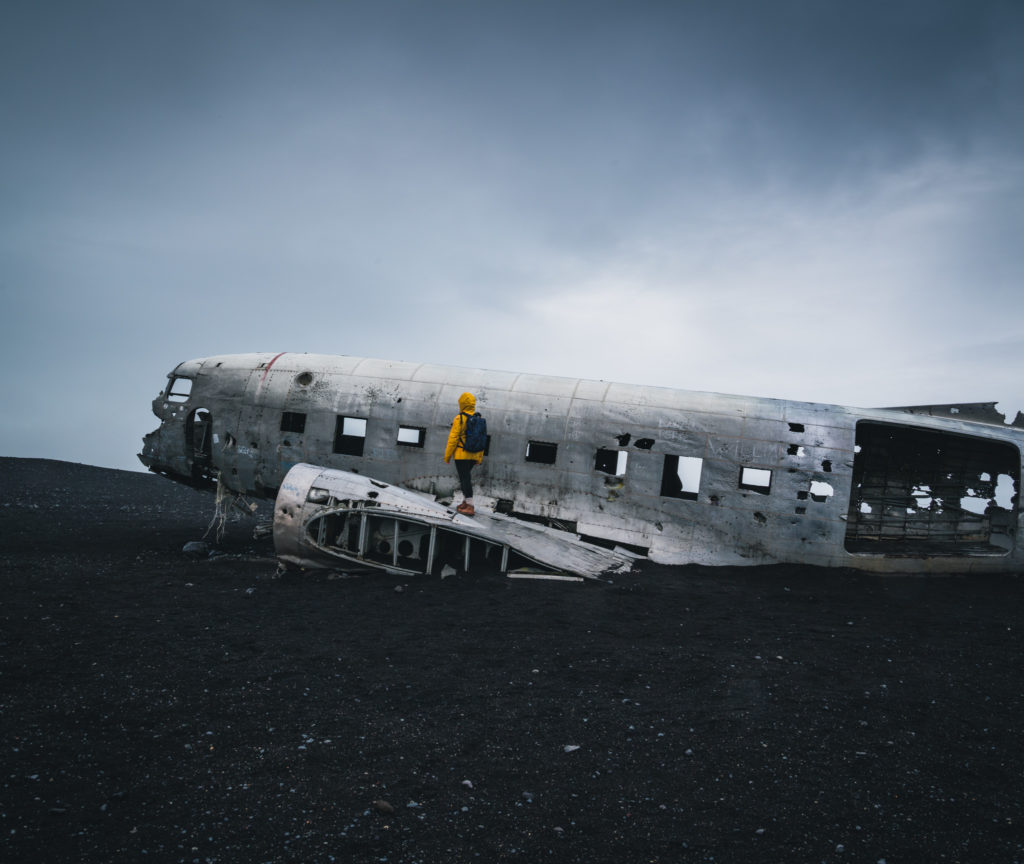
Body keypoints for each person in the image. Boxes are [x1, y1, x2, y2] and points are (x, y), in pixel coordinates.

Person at [444, 392, 484, 515]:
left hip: (462, 454)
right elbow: (482, 439)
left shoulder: (460, 418)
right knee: (466, 478)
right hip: (474, 454)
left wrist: (448, 455)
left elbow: (453, 439)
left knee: (464, 479)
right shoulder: (478, 419)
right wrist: (479, 458)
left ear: (462, 403)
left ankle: (470, 506)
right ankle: (466, 502)